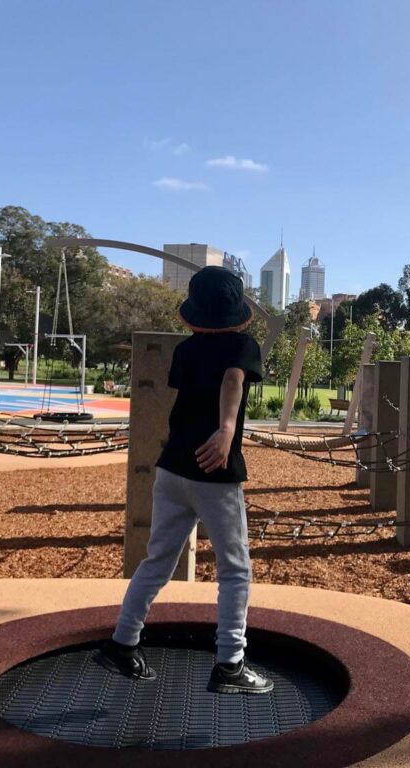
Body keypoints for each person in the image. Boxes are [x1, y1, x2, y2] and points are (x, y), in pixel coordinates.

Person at [95, 266, 272, 694]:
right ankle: (231, 663)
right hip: (213, 469)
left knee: (157, 560)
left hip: (172, 466)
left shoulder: (186, 351)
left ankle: (123, 641)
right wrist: (227, 428)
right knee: (234, 569)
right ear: (237, 311)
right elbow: (233, 377)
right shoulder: (243, 345)